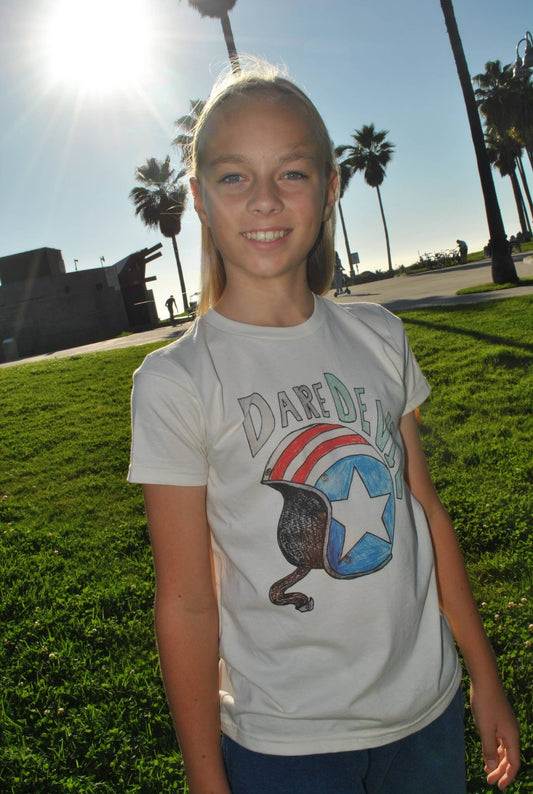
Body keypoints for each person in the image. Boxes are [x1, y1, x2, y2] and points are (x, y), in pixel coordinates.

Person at [128, 61, 520, 794]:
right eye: (234, 176)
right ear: (199, 198)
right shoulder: (177, 380)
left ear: (331, 187)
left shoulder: (379, 335)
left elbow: (424, 512)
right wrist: (207, 780)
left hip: (426, 716)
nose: (265, 199)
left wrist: (482, 673)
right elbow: (185, 600)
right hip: (286, 747)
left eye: (293, 173)